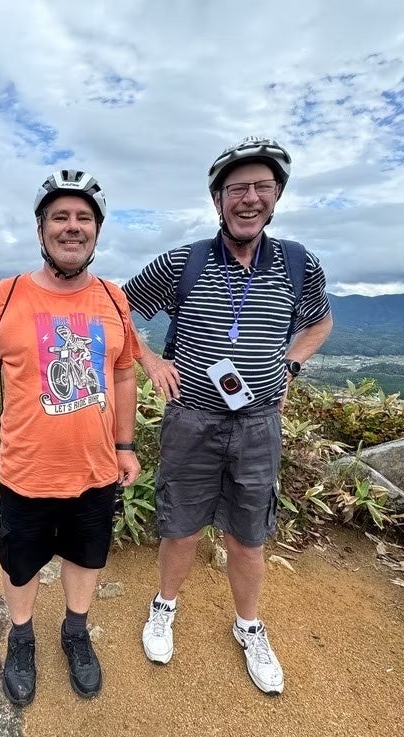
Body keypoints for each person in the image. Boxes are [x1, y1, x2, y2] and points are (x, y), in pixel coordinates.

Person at [121, 137, 333, 695]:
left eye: (262, 186)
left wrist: (290, 366)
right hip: (192, 417)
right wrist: (151, 360)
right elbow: (118, 308)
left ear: (277, 195)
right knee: (181, 526)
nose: (250, 198)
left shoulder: (298, 264)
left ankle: (249, 626)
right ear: (218, 200)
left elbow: (319, 322)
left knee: (248, 535)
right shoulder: (183, 262)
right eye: (237, 188)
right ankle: (164, 606)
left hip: (258, 422)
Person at [0, 169, 141, 706]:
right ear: (41, 229)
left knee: (86, 557)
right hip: (26, 470)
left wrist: (125, 446)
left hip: (96, 468)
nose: (72, 226)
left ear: (97, 231)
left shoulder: (113, 298)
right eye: (60, 216)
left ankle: (75, 631)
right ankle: (21, 637)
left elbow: (124, 373)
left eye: (84, 217)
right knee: (20, 562)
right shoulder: (6, 295)